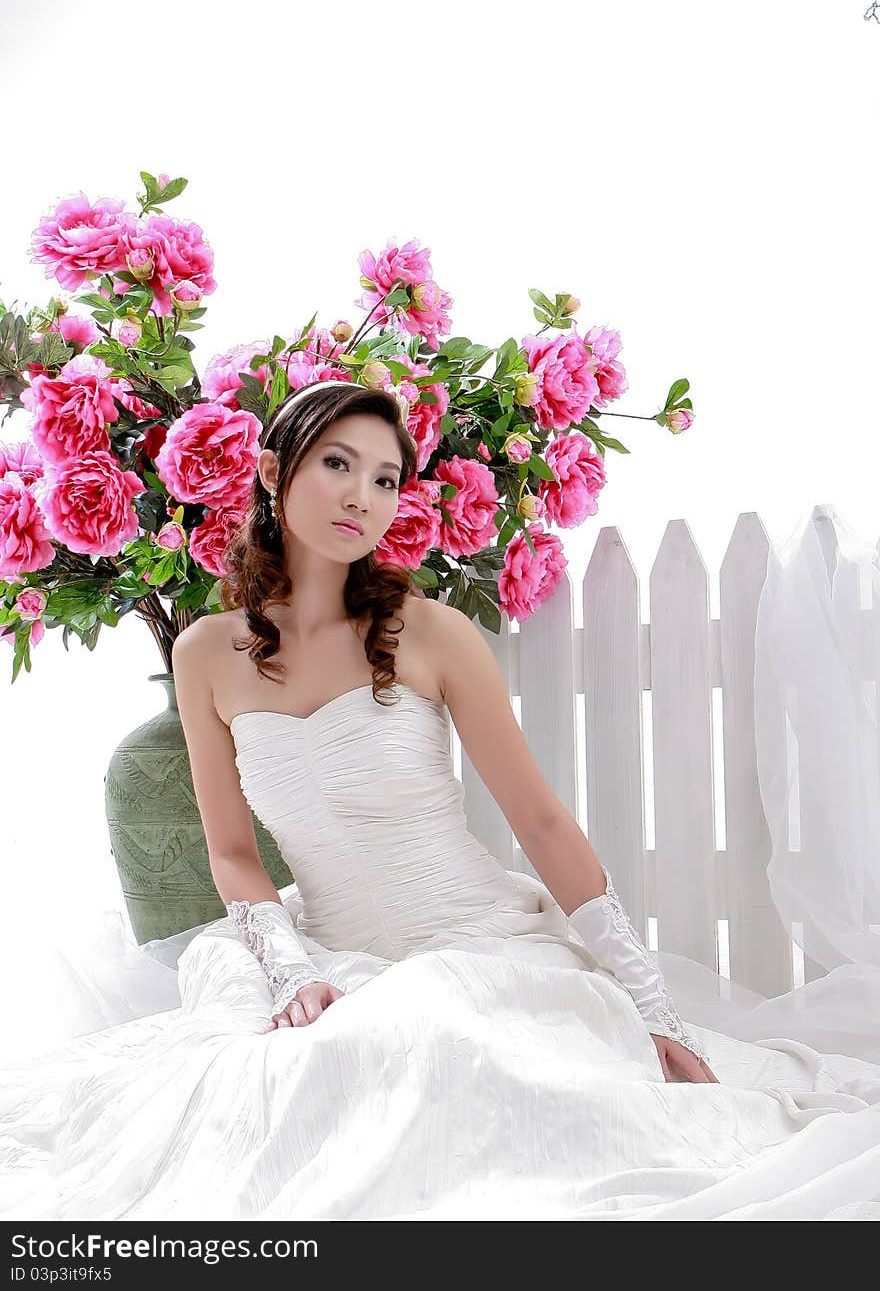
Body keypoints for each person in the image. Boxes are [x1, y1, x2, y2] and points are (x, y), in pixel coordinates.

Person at [1, 379, 878, 1222]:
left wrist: (646, 999)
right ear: (273, 472)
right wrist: (292, 970)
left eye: (386, 479)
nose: (363, 497)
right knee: (240, 1120)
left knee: (445, 1050)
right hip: (330, 954)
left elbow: (539, 821)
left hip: (478, 944)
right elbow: (230, 850)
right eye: (338, 465)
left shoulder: (428, 632)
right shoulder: (203, 654)